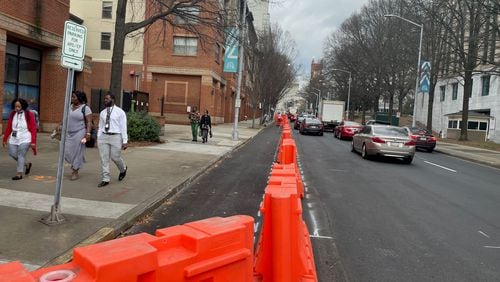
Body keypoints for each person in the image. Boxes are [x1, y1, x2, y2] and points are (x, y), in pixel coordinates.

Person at [96, 93, 128, 187]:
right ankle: (105, 179)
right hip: (103, 137)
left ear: (113, 100)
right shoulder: (102, 112)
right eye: (104, 99)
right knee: (104, 159)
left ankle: (123, 169)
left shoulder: (120, 112)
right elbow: (100, 126)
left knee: (115, 157)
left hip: (115, 137)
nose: (105, 100)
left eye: (107, 99)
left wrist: (125, 141)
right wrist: (98, 137)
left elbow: (123, 127)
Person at [2, 98, 37, 180]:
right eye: (15, 106)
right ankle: (26, 164)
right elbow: (9, 127)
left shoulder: (29, 114)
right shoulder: (12, 114)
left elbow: (33, 128)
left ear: (23, 106)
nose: (16, 108)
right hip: (14, 138)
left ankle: (19, 173)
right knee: (12, 153)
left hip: (25, 138)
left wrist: (33, 142)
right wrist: (5, 138)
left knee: (21, 155)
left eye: (18, 106)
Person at [64, 90, 92, 180]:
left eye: (74, 97)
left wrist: (87, 133)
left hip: (80, 132)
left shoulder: (85, 108)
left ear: (79, 98)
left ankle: (75, 171)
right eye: (72, 97)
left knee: (78, 152)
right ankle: (75, 164)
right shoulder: (69, 107)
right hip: (69, 133)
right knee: (66, 151)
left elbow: (89, 122)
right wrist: (59, 126)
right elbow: (65, 118)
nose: (72, 98)